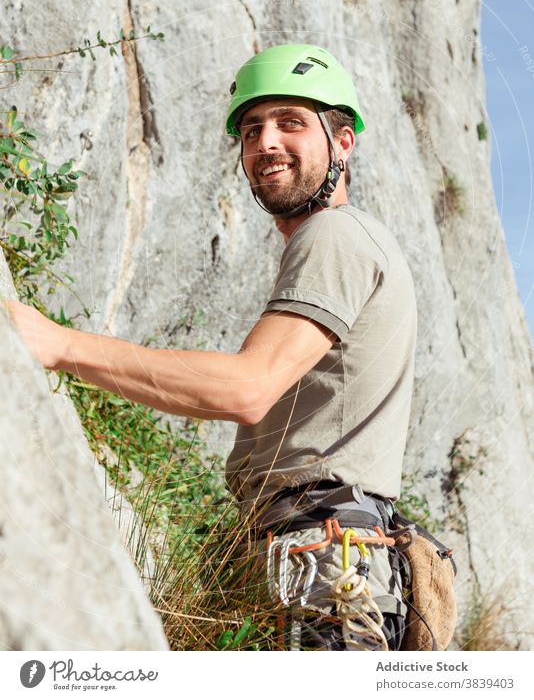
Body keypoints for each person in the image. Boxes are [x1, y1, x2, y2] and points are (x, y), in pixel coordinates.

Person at [5, 43, 417, 651]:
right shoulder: (348, 243)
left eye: (292, 123)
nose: (266, 142)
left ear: (345, 142)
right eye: (253, 129)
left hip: (323, 559)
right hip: (318, 548)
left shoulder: (337, 235)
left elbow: (246, 388)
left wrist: (59, 344)